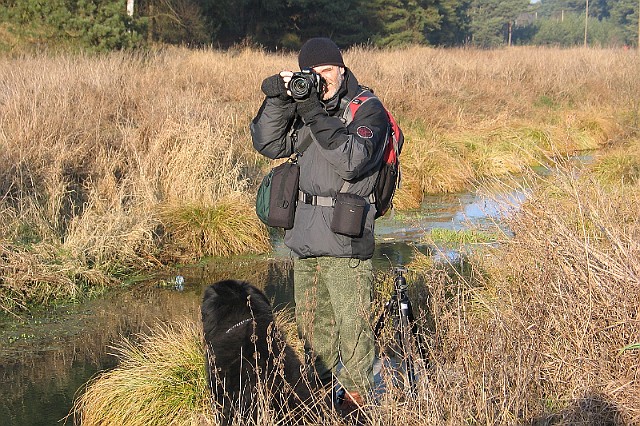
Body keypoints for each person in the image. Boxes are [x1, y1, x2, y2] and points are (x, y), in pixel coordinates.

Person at [250, 37, 389, 412]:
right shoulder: (305, 103)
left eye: (327, 70)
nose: (321, 78)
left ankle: (357, 396)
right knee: (312, 324)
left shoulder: (368, 110)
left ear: (341, 70)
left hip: (345, 236)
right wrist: (277, 98)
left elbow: (351, 161)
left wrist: (312, 111)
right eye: (312, 72)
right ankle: (320, 388)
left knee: (353, 323)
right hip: (304, 234)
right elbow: (267, 143)